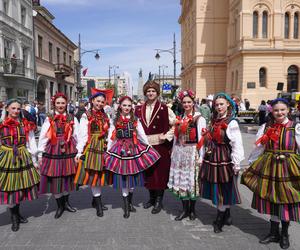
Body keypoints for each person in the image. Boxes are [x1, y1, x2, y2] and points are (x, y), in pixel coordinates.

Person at [241, 98, 300, 249]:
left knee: (286, 200)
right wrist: (251, 163)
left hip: (288, 168)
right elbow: (259, 148)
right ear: (271, 112)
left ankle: (285, 233)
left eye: (282, 110)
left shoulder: (296, 127)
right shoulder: (266, 127)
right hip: (270, 167)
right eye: (276, 110)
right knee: (272, 199)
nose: (279, 113)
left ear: (288, 110)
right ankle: (274, 233)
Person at [105, 96, 160, 218]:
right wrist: (108, 151)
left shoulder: (135, 119)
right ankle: (126, 207)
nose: (126, 108)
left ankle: (129, 204)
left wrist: (148, 146)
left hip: (133, 148)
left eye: (129, 106)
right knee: (124, 178)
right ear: (120, 106)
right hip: (121, 149)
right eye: (124, 105)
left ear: (132, 107)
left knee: (132, 178)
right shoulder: (115, 120)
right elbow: (111, 136)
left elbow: (141, 134)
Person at [198, 92, 244, 233]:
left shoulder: (232, 122)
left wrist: (236, 163)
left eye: (221, 104)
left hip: (224, 157)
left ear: (228, 104)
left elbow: (237, 143)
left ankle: (219, 219)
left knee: (224, 186)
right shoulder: (213, 119)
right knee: (219, 186)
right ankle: (227, 215)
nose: (219, 107)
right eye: (216, 104)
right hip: (212, 156)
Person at [135, 80, 176, 214]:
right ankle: (151, 198)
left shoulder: (164, 108)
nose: (150, 93)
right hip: (145, 146)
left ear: (157, 93)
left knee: (160, 174)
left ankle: (159, 200)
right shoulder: (139, 108)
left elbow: (176, 124)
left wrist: (168, 135)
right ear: (145, 93)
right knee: (149, 173)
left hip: (160, 146)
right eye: (148, 91)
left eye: (153, 91)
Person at [0, 99, 40, 231]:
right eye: (13, 108)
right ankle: (14, 217)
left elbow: (31, 143)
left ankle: (17, 213)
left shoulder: (25, 124)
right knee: (10, 188)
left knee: (19, 188)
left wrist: (35, 160)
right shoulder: (1, 124)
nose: (16, 111)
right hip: (6, 157)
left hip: (23, 156)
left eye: (18, 109)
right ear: (7, 109)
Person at [38, 93, 79, 219]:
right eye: (58, 103)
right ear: (54, 104)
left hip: (68, 149)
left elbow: (76, 135)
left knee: (67, 177)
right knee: (56, 178)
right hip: (53, 149)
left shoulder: (72, 118)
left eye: (62, 103)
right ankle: (60, 206)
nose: (61, 105)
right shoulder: (49, 118)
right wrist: (40, 154)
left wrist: (78, 152)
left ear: (66, 104)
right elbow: (44, 136)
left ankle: (66, 203)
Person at [168, 90, 206, 221]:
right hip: (180, 152)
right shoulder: (180, 118)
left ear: (193, 102)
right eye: (184, 102)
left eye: (189, 102)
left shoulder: (199, 119)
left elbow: (202, 139)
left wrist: (201, 156)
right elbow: (176, 137)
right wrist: (173, 151)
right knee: (182, 180)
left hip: (192, 152)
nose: (186, 104)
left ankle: (192, 210)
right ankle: (184, 209)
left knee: (192, 181)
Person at [74, 89, 113, 217]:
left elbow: (111, 131)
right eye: (98, 101)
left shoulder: (106, 115)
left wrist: (110, 147)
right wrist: (79, 151)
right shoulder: (86, 115)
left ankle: (95, 201)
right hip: (92, 147)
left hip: (103, 146)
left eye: (102, 102)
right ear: (92, 101)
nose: (100, 104)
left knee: (101, 176)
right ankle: (98, 204)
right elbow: (82, 134)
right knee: (94, 176)